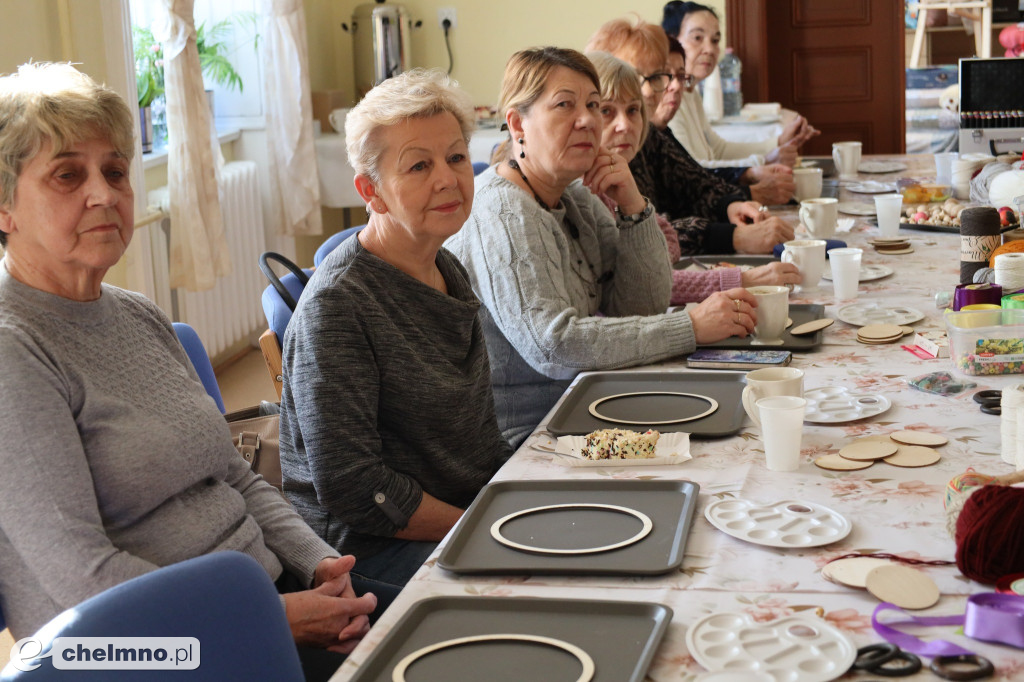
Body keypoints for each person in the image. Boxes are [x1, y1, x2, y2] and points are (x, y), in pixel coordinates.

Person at [0, 63, 375, 659]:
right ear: (5, 209)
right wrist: (269, 619)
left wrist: (319, 564)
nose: (102, 192)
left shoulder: (135, 313)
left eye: (115, 171)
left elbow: (234, 475)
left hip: (265, 597)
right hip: (158, 650)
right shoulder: (13, 351)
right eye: (67, 175)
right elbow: (80, 582)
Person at [447, 47, 757, 448]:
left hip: (588, 407)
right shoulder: (502, 211)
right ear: (517, 123)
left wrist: (633, 204)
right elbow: (554, 346)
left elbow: (642, 306)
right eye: (565, 105)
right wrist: (690, 326)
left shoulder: (575, 196)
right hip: (523, 438)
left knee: (744, 415)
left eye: (594, 105)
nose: (588, 120)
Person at [279, 69, 512, 599]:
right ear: (371, 192)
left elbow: (475, 438)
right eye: (419, 166)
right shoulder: (340, 305)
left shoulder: (447, 268)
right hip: (366, 547)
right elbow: (355, 489)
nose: (448, 179)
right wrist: (482, 526)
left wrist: (514, 502)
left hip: (458, 511)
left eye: (456, 157)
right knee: (545, 587)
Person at [588, 50, 801, 304]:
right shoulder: (585, 189)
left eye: (633, 110)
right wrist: (743, 275)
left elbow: (686, 195)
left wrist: (730, 204)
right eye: (606, 111)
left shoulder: (625, 159)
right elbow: (646, 278)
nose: (668, 86)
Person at [587, 16, 795, 254]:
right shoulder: (586, 169)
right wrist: (733, 237)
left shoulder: (646, 134)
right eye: (637, 77)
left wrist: (729, 205)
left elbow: (694, 182)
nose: (649, 90)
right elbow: (639, 241)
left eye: (656, 76)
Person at [661, 1, 819, 170]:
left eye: (715, 40)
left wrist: (778, 142)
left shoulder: (691, 92)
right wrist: (765, 161)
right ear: (672, 41)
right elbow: (694, 170)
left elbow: (718, 150)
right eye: (697, 38)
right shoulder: (668, 99)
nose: (709, 49)